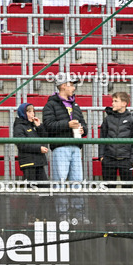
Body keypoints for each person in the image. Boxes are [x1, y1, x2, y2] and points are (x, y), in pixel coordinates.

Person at [41, 73, 88, 223]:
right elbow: (48, 126)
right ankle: (63, 214)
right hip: (60, 147)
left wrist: (83, 130)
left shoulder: (76, 105)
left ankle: (78, 213)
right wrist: (67, 125)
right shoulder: (50, 105)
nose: (74, 88)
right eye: (71, 84)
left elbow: (84, 125)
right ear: (63, 86)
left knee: (77, 181)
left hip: (76, 146)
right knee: (59, 180)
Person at [99, 92, 133, 183]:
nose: (112, 103)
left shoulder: (132, 120)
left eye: (115, 101)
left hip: (126, 160)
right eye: (112, 101)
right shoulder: (108, 119)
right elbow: (102, 138)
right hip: (108, 159)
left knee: (127, 190)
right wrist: (102, 156)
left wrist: (132, 160)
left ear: (124, 103)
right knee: (109, 189)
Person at [13, 102, 48, 183]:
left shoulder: (33, 126)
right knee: (30, 190)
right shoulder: (19, 126)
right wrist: (39, 149)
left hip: (39, 162)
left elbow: (45, 138)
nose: (32, 114)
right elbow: (22, 144)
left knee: (45, 187)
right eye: (29, 112)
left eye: (33, 111)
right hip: (28, 163)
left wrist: (39, 127)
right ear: (23, 113)